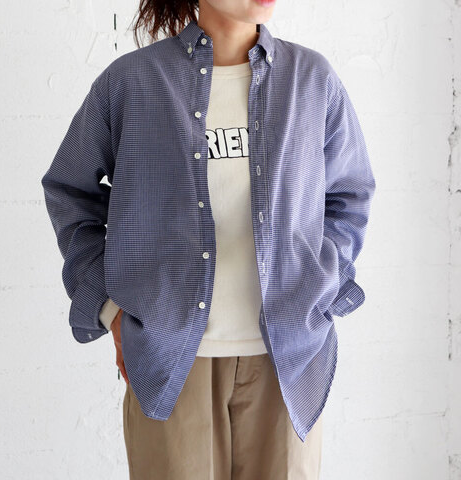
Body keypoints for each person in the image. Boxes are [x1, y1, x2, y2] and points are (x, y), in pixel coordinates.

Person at [41, 0, 376, 478]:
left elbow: (349, 196)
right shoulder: (132, 82)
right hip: (171, 363)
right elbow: (70, 192)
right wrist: (110, 310)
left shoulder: (312, 80)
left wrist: (323, 291)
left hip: (288, 362)